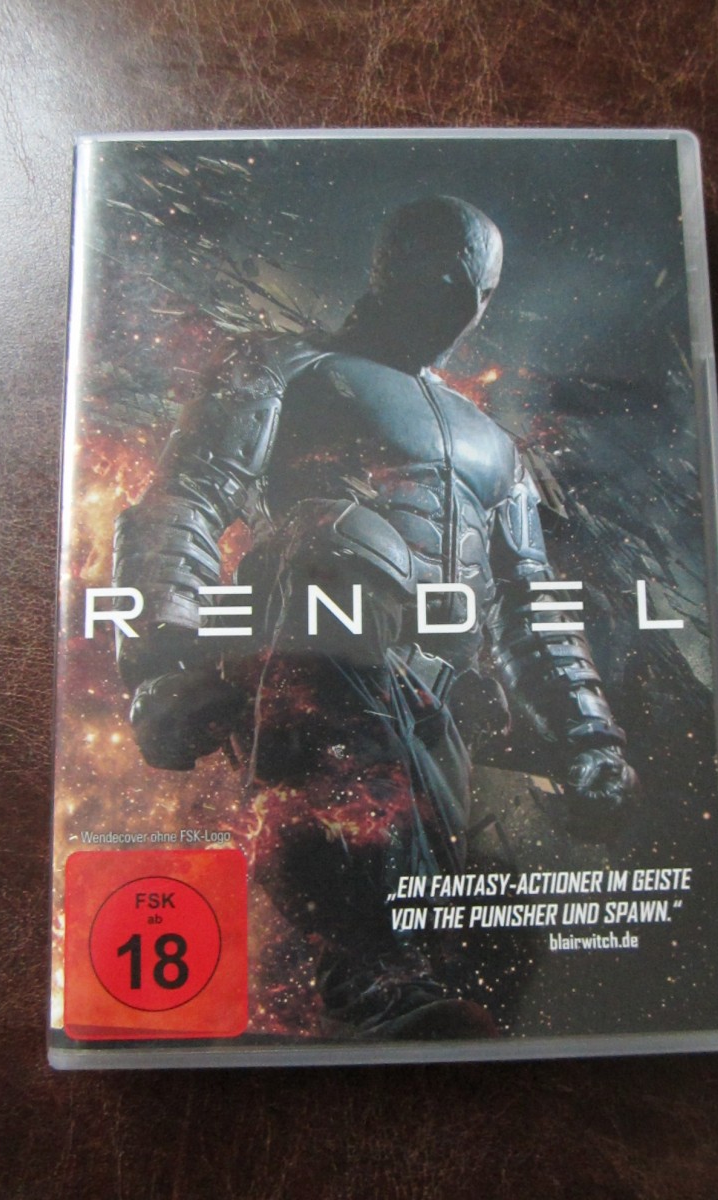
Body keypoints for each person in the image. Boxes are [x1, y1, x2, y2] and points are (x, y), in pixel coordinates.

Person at [113, 195, 636, 1038]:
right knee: (360, 891)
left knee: (423, 911)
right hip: (313, 656)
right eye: (442, 282)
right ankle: (368, 991)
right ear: (393, 268)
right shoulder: (288, 366)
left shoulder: (494, 448)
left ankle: (388, 1009)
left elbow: (531, 604)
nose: (456, 310)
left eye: (474, 294)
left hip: (439, 702)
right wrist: (164, 661)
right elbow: (188, 497)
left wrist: (589, 737)